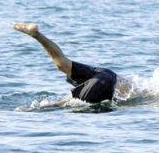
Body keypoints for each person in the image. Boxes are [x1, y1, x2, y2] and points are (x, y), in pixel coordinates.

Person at [13, 23, 142, 108]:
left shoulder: (142, 86)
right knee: (59, 105)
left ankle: (35, 34)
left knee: (62, 63)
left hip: (106, 73)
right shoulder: (146, 95)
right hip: (105, 84)